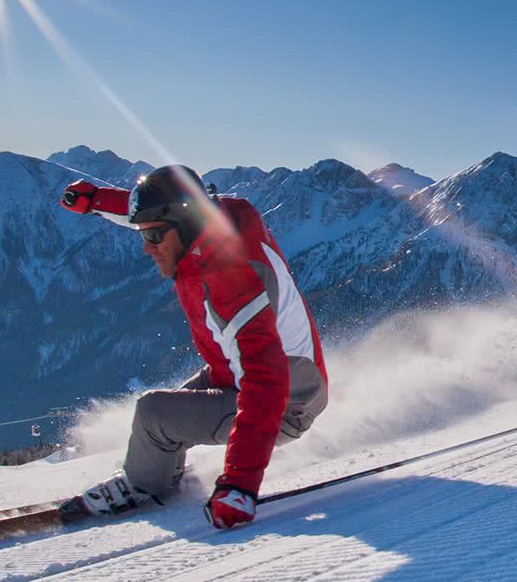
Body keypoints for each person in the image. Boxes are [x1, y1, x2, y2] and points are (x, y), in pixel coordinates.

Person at [59, 165, 328, 530]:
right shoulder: (222, 218)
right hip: (252, 374)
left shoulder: (231, 278)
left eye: (153, 237)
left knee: (154, 415)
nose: (145, 248)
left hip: (285, 401)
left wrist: (239, 485)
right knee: (162, 416)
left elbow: (265, 382)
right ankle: (155, 473)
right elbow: (164, 210)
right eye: (144, 234)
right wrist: (97, 202)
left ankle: (145, 486)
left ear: (184, 227)